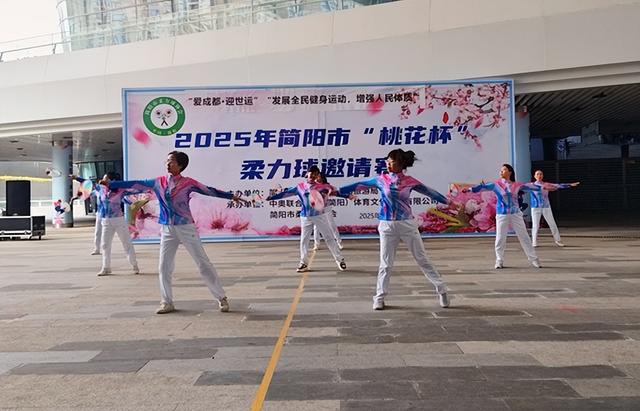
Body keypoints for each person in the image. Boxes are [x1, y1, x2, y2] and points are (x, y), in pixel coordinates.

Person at [109, 151, 247, 314]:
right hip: (167, 228)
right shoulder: (158, 182)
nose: (168, 164)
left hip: (186, 227)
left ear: (180, 165)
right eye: (167, 161)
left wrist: (231, 196)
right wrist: (112, 184)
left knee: (203, 262)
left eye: (172, 161)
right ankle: (166, 302)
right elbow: (135, 183)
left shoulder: (188, 183)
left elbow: (209, 190)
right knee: (164, 266)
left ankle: (221, 297)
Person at [338, 149, 450, 310]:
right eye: (387, 161)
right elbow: (358, 185)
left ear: (401, 164)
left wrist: (449, 202)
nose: (388, 164)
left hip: (407, 224)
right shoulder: (381, 179)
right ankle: (379, 297)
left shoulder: (410, 181)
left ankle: (442, 290)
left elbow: (430, 192)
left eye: (392, 161)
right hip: (386, 225)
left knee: (422, 259)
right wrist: (337, 191)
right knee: (385, 264)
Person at [267, 165, 347, 273]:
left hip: (319, 216)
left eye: (315, 174)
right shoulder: (300, 187)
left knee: (329, 238)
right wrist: (272, 197)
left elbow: (336, 192)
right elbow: (285, 193)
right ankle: (303, 263)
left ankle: (340, 260)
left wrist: (348, 196)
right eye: (311, 173)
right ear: (307, 174)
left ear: (318, 176)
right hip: (305, 217)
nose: (313, 176)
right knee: (304, 240)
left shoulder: (322, 187)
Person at [465, 164, 542, 269]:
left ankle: (534, 259)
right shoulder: (495, 184)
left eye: (504, 170)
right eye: (501, 170)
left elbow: (532, 187)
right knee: (500, 238)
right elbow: (482, 187)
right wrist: (470, 189)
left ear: (510, 172)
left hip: (515, 214)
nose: (501, 171)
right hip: (502, 214)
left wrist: (546, 186)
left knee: (524, 236)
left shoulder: (517, 185)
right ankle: (499, 260)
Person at [73, 173, 140, 276]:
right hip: (106, 221)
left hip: (119, 220)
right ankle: (106, 267)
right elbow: (88, 183)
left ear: (112, 181)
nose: (103, 180)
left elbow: (135, 190)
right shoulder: (100, 189)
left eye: (106, 179)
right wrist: (76, 178)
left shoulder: (120, 190)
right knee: (105, 245)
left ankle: (134, 265)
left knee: (126, 243)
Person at [530, 170, 580, 247]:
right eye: (537, 174)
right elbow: (520, 187)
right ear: (534, 176)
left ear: (542, 176)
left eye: (541, 174)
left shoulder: (546, 184)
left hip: (546, 207)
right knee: (535, 225)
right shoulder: (531, 185)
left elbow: (558, 185)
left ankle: (558, 240)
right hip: (535, 207)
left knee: (552, 223)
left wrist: (569, 185)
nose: (539, 175)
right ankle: (534, 242)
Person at [313, 172, 343, 251]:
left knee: (331, 224)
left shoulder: (327, 186)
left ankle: (339, 242)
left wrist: (330, 191)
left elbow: (336, 191)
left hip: (326, 207)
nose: (317, 178)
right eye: (316, 177)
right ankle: (316, 244)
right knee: (316, 227)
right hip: (317, 208)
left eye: (319, 176)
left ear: (322, 177)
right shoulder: (313, 186)